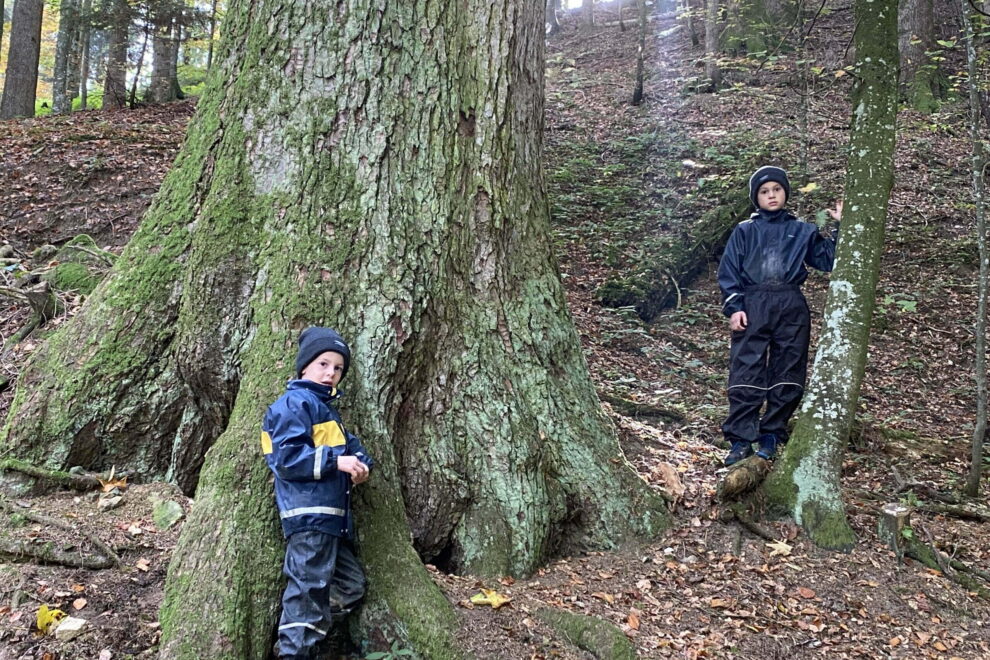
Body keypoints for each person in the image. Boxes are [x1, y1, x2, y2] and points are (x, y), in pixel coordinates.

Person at [261, 327, 374, 658]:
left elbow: (355, 451)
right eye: (323, 364)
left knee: (350, 587)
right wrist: (337, 462)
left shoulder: (329, 413)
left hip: (332, 523)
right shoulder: (292, 404)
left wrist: (361, 467)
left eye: (338, 368)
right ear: (305, 366)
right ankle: (294, 649)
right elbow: (286, 459)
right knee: (307, 594)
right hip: (308, 518)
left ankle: (303, 639)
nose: (331, 373)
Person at [717, 166, 840, 466]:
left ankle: (772, 433)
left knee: (788, 366)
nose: (771, 195)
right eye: (764, 191)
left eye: (776, 189)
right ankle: (740, 440)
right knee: (746, 368)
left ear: (785, 193)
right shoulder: (745, 230)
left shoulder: (802, 230)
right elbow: (729, 272)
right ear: (756, 197)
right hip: (753, 301)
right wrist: (735, 308)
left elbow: (829, 260)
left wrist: (841, 228)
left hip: (790, 303)